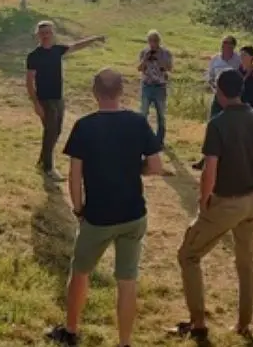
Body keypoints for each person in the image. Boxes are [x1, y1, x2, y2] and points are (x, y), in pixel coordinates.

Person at [46, 69, 165, 347]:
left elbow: (75, 175)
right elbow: (156, 166)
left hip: (98, 216)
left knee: (81, 272)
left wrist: (78, 209)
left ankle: (71, 330)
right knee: (127, 281)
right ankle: (124, 342)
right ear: (122, 91)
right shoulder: (137, 122)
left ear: (94, 93)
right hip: (133, 214)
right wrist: (137, 169)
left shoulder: (85, 126)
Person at [169, 69, 253, 342]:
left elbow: (209, 170)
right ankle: (244, 324)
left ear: (219, 90)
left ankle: (198, 322)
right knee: (246, 261)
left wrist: (204, 202)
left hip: (229, 202)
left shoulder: (218, 124)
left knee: (188, 255)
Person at [26, 20, 106, 181]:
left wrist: (94, 39)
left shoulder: (57, 50)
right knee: (50, 132)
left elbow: (76, 46)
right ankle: (48, 168)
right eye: (42, 33)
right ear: (38, 35)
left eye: (48, 32)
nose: (46, 36)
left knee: (57, 131)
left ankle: (43, 161)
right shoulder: (34, 56)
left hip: (58, 97)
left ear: (53, 33)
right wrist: (36, 104)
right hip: (45, 100)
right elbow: (29, 81)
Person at [191, 36, 241, 171]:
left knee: (231, 127)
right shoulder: (215, 59)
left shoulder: (238, 60)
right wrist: (211, 81)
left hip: (231, 98)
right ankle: (206, 158)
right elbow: (209, 74)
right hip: (217, 96)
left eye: (227, 43)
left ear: (233, 46)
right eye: (223, 43)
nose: (224, 46)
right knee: (212, 125)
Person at [137, 30, 174, 146]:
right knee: (143, 113)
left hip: (160, 86)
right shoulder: (144, 52)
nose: (153, 43)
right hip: (147, 85)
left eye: (155, 40)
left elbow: (169, 67)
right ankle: (142, 137)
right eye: (150, 40)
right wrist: (145, 59)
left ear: (159, 41)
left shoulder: (166, 53)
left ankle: (159, 140)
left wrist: (159, 59)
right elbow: (139, 68)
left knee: (161, 115)